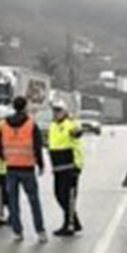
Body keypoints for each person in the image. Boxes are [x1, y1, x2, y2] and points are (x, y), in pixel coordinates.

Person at [0, 96, 47, 243]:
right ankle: (40, 231)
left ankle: (17, 231)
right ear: (25, 107)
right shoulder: (31, 125)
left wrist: (6, 158)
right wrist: (41, 164)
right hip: (27, 168)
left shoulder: (4, 125)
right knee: (34, 200)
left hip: (11, 168)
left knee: (13, 201)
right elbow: (37, 146)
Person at [48, 101, 85, 237]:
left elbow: (77, 133)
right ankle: (74, 220)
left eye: (59, 111)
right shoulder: (53, 126)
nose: (56, 113)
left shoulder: (70, 124)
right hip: (58, 167)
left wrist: (78, 166)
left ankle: (69, 225)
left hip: (70, 167)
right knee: (59, 195)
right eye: (54, 111)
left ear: (65, 112)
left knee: (69, 197)